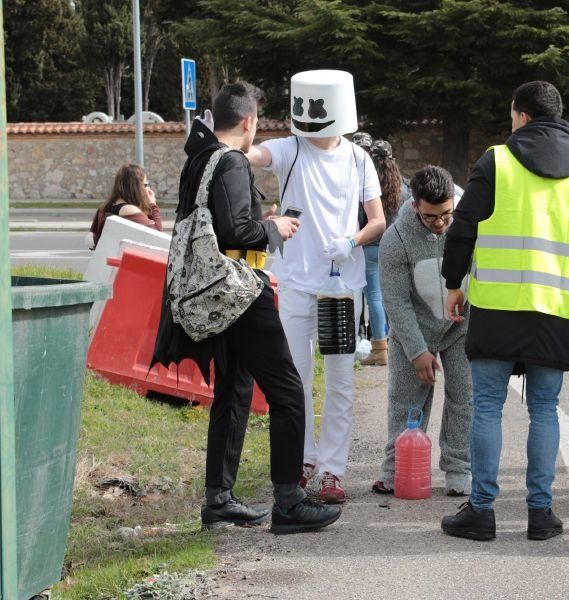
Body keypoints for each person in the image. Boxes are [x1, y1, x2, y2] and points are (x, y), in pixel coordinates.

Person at [151, 82, 341, 534]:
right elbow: (236, 230)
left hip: (213, 295)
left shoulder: (199, 159)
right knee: (288, 392)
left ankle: (219, 500)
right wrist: (272, 226)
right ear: (249, 121)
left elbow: (218, 222)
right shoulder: (232, 160)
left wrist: (260, 219)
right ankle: (290, 502)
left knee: (234, 392)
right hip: (240, 291)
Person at [440, 81, 569, 541]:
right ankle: (541, 513)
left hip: (498, 304)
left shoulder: (497, 161)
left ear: (521, 115)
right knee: (545, 409)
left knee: (488, 408)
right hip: (555, 310)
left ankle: (481, 510)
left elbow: (462, 229)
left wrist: (453, 284)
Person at [245, 70, 386, 504]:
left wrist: (351, 241)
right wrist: (225, 142)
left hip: (341, 285)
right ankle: (303, 459)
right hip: (296, 282)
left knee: (341, 377)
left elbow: (377, 220)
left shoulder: (359, 160)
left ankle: (332, 470)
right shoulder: (290, 149)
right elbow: (255, 154)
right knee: (296, 376)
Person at [371, 165, 471, 497]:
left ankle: (459, 469)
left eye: (446, 214)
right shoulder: (395, 239)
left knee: (464, 397)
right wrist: (417, 351)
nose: (441, 224)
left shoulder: (469, 223)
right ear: (415, 206)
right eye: (431, 217)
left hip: (461, 327)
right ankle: (396, 469)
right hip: (414, 327)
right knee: (406, 400)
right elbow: (396, 301)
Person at [357, 138, 411, 366]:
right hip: (396, 246)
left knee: (375, 298)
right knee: (397, 298)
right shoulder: (404, 187)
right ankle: (400, 345)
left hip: (370, 245)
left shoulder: (367, 184)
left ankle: (379, 347)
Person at [90, 164, 162, 248]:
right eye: (145, 185)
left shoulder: (104, 208)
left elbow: (93, 237)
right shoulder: (129, 210)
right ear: (136, 187)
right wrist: (153, 205)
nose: (147, 189)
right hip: (124, 259)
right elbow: (157, 233)